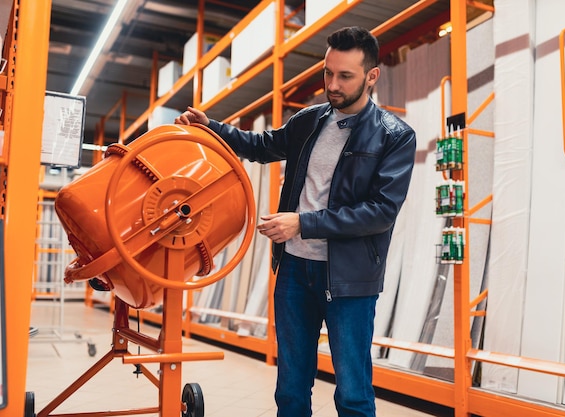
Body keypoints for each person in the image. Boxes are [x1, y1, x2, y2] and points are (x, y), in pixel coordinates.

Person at [175, 26, 416, 417]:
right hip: (294, 271)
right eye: (327, 72)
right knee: (290, 387)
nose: (332, 85)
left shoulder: (394, 136)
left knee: (353, 391)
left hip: (350, 280)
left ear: (372, 75)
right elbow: (262, 146)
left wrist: (303, 224)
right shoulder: (310, 120)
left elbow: (380, 212)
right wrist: (211, 127)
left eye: (345, 76)